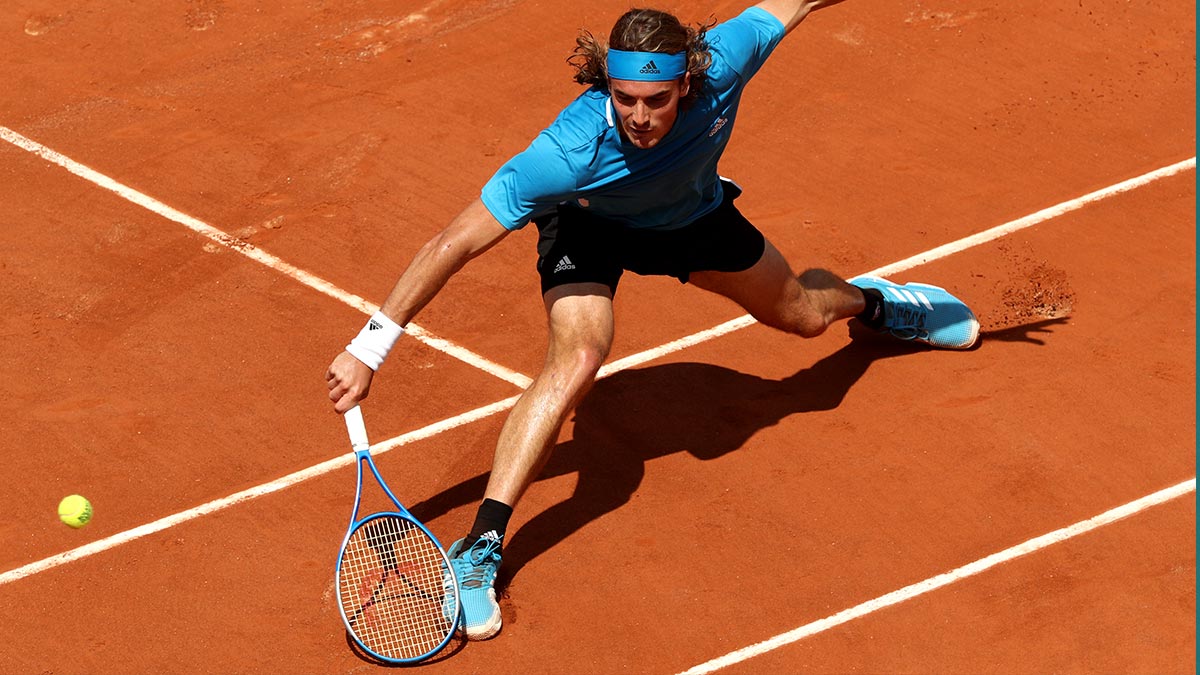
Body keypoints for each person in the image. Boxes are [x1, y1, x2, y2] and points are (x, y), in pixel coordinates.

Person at [325, 0, 979, 641]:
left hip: (688, 220)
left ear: (689, 81)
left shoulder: (730, 59)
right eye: (624, 97)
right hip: (588, 223)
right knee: (578, 355)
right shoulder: (567, 152)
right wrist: (371, 346)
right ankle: (480, 546)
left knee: (804, 317)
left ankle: (875, 303)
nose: (639, 116)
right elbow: (454, 241)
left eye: (656, 100)